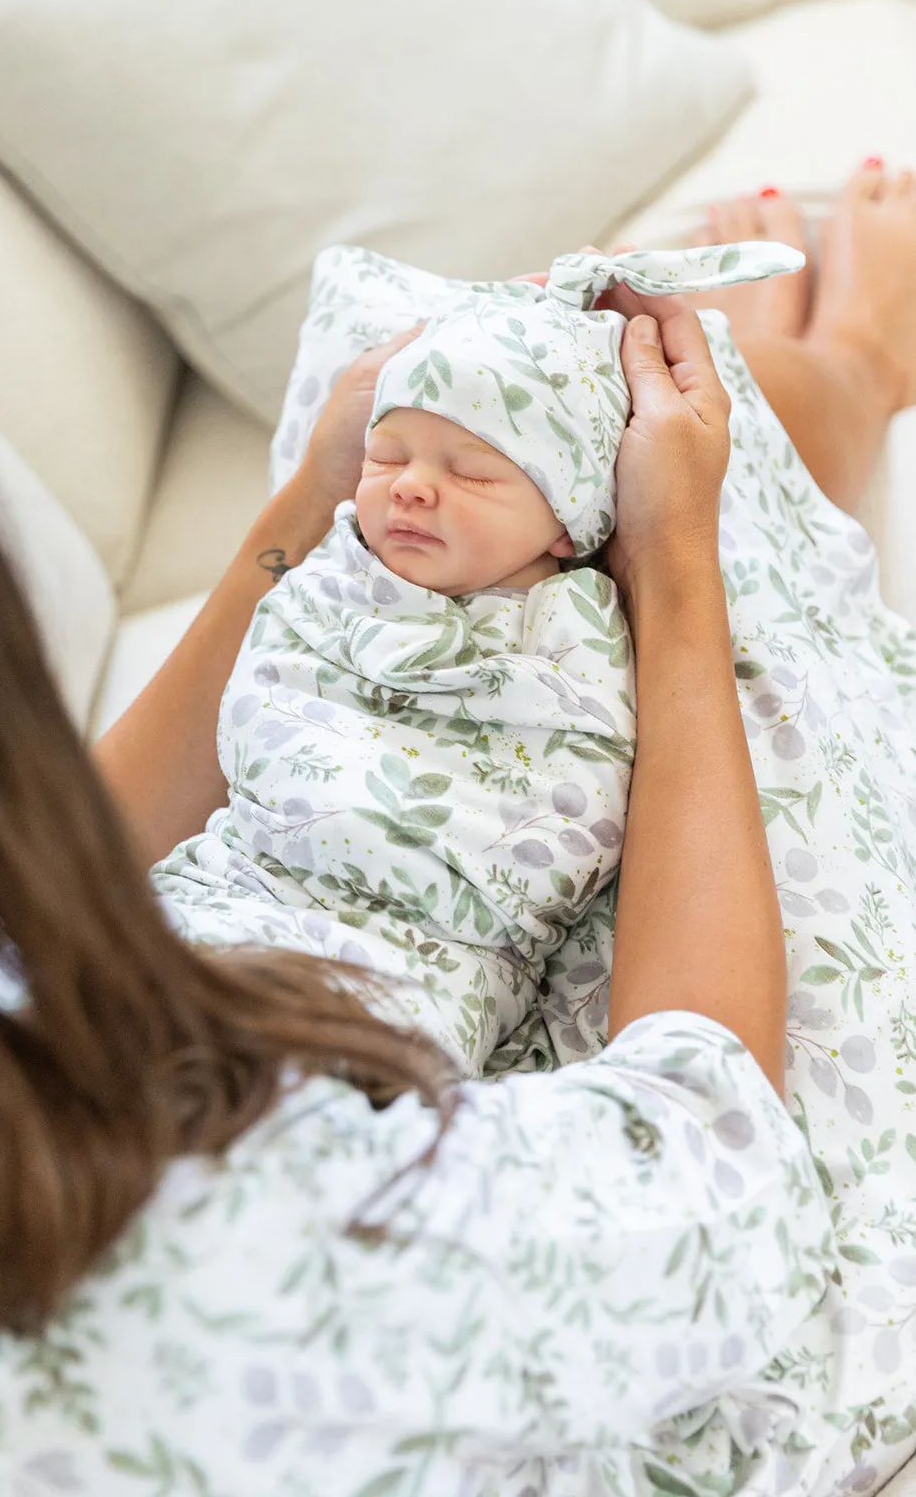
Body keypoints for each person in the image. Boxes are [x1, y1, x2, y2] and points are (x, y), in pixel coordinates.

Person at [0, 163, 912, 1497]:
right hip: (620, 1257)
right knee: (759, 680)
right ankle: (859, 362)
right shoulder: (255, 1251)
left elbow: (42, 876)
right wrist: (673, 570)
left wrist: (314, 494)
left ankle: (806, 387)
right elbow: (710, 1166)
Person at [150, 243, 795, 1079]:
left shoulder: (577, 636)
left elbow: (584, 788)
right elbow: (271, 680)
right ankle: (822, 357)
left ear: (568, 525)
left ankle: (815, 356)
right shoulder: (338, 574)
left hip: (400, 963)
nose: (409, 487)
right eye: (386, 458)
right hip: (233, 915)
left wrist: (662, 555)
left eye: (471, 472)